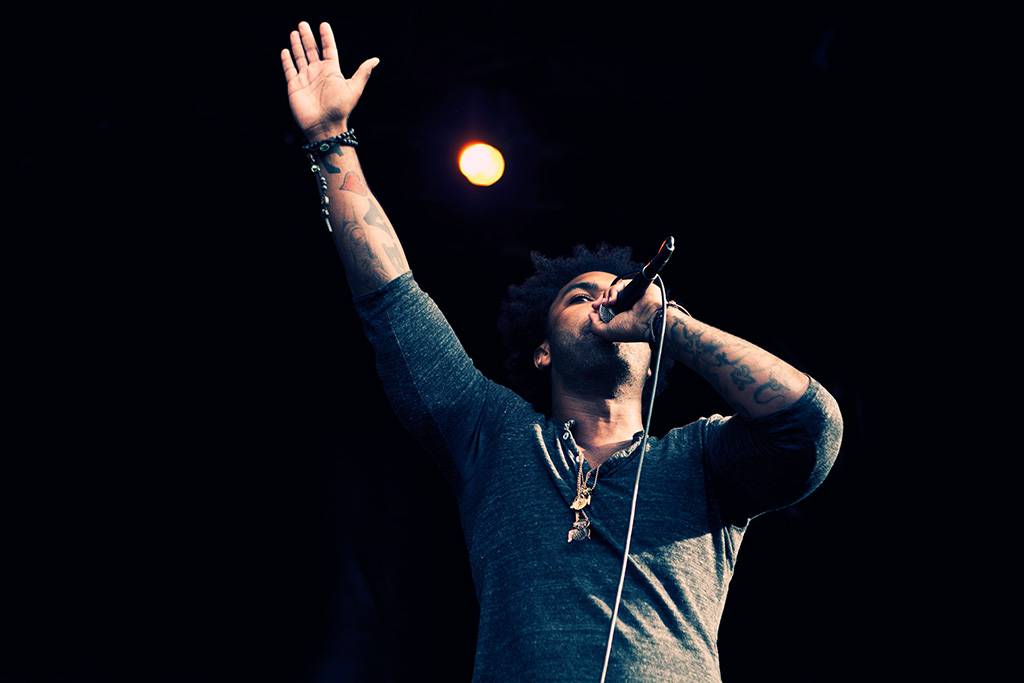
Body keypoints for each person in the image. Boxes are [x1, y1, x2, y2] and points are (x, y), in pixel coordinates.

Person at [281, 20, 844, 682]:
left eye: (621, 296)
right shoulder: (493, 435)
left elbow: (808, 427)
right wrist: (331, 140)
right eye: (580, 296)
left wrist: (671, 325)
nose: (607, 301)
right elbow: (390, 298)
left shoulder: (702, 460)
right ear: (543, 350)